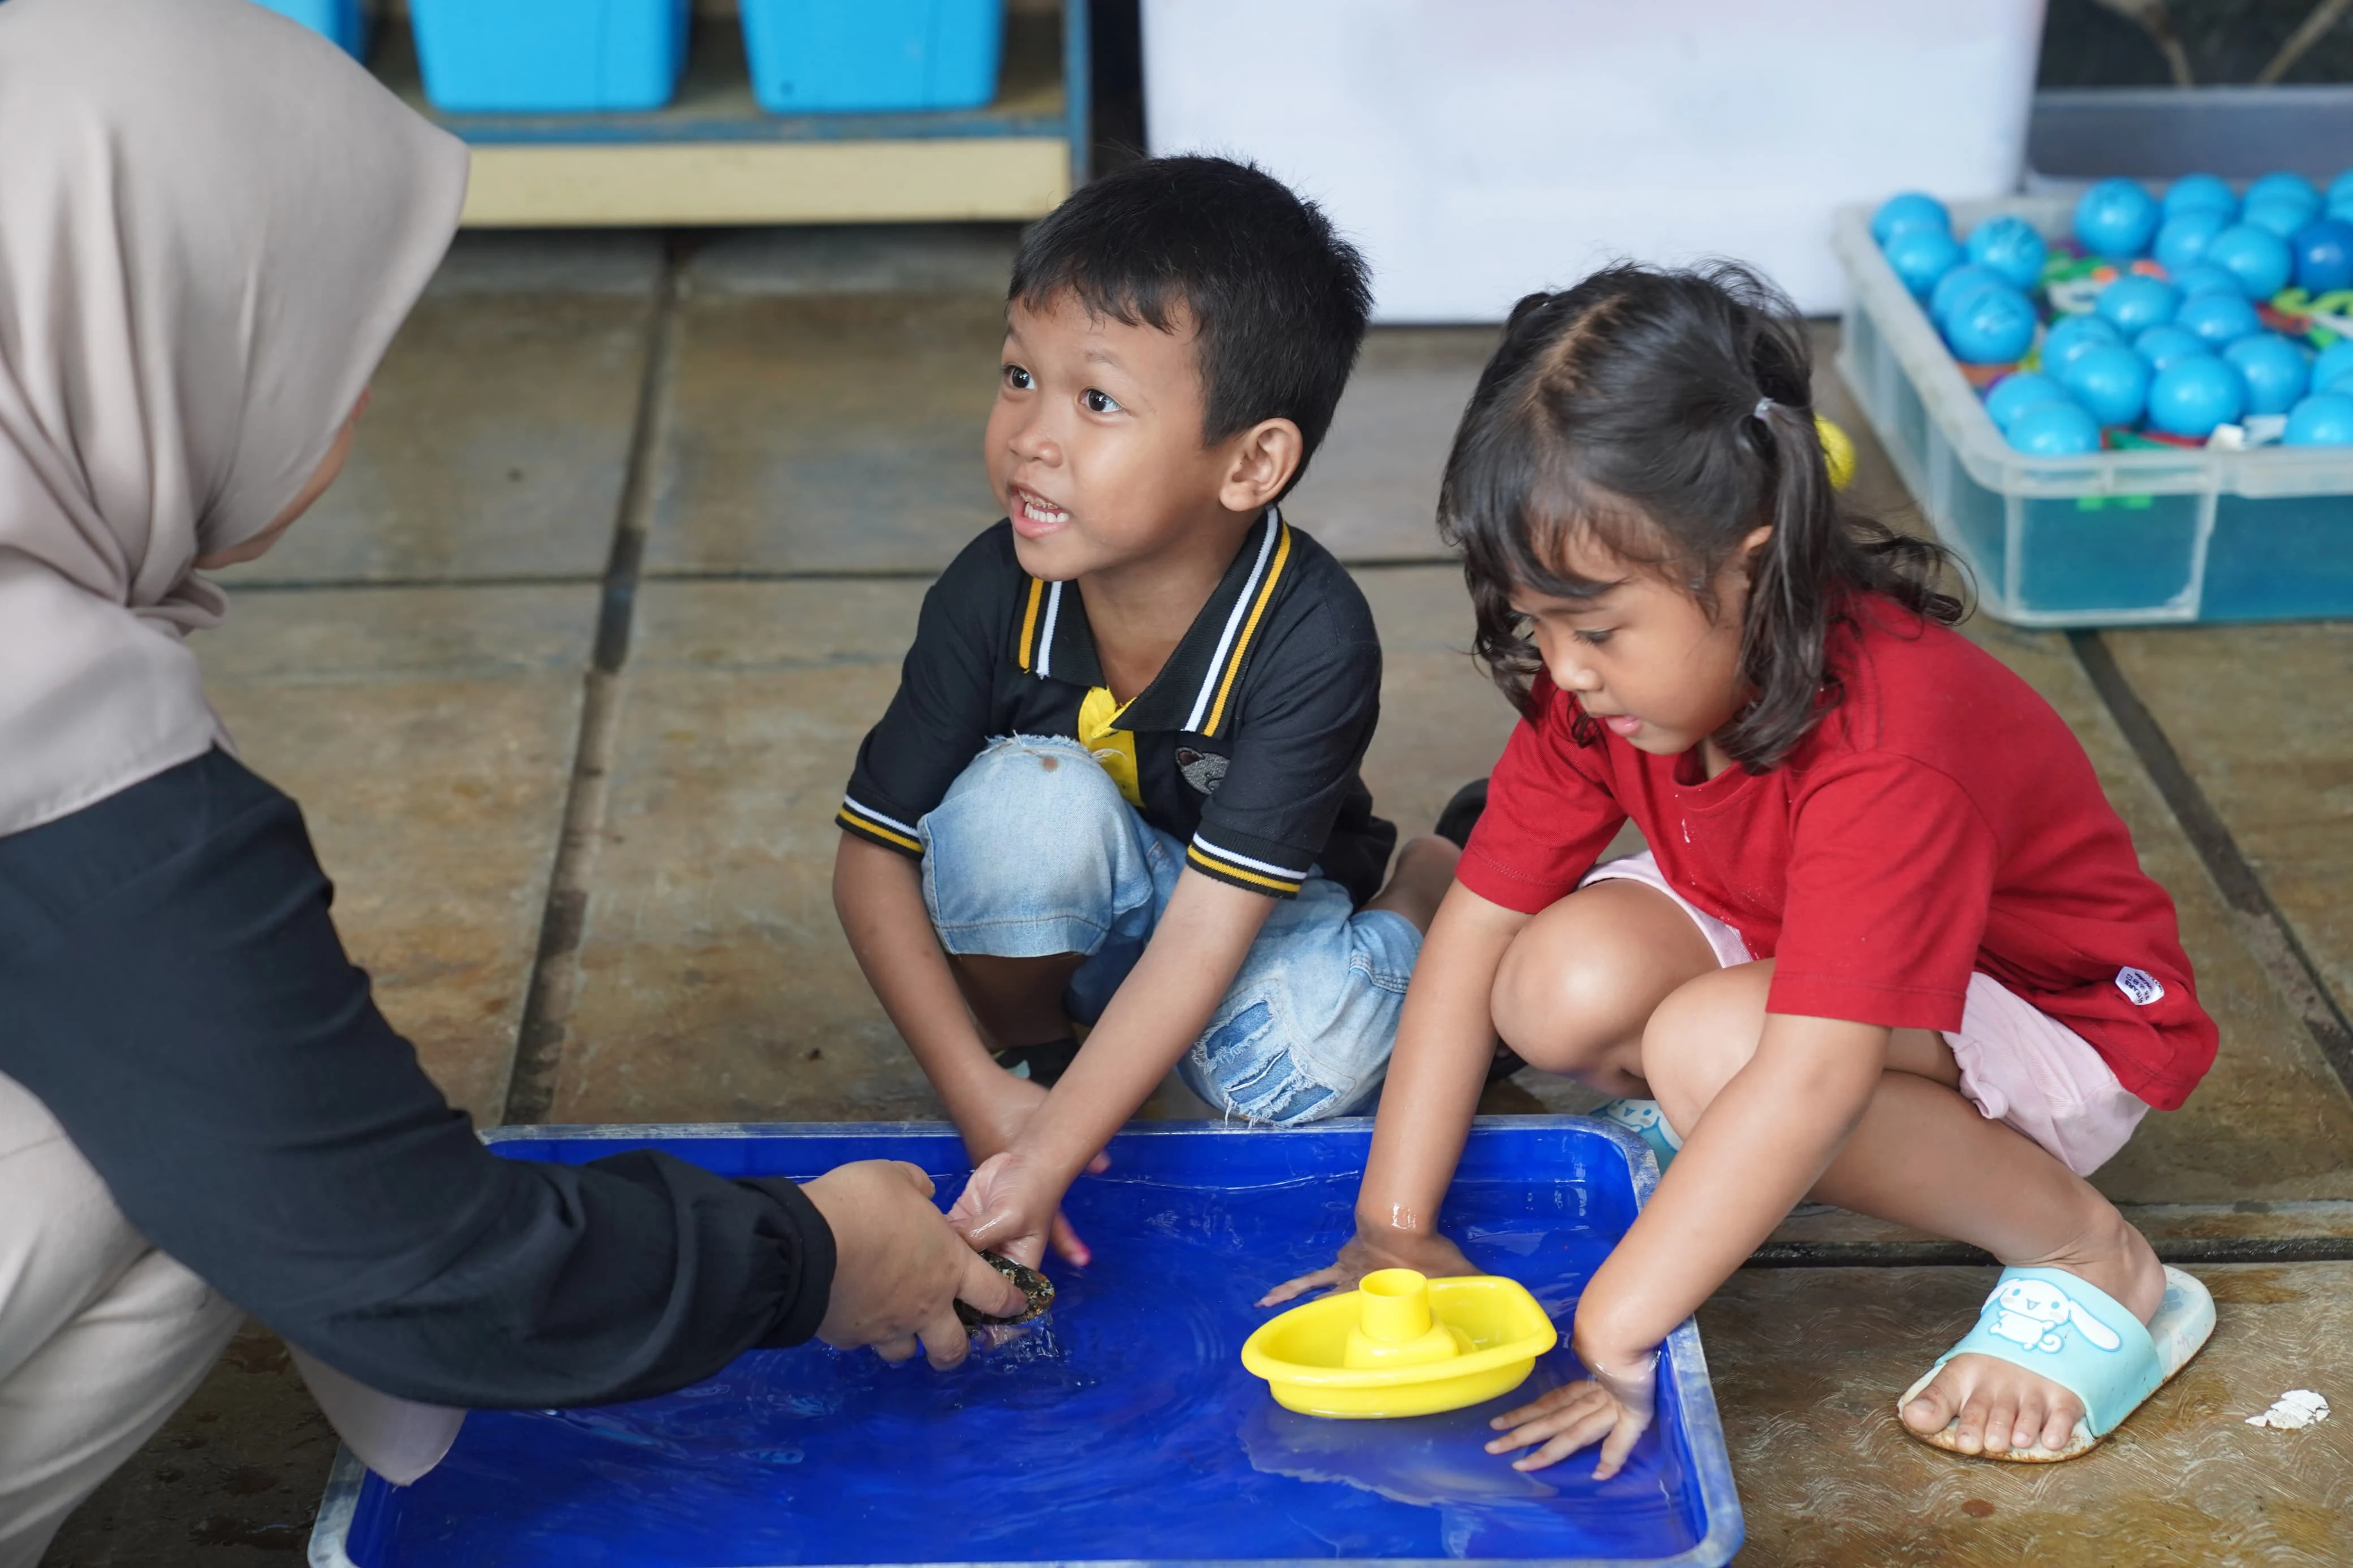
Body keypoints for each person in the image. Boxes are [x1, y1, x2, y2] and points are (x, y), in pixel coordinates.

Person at [0, 3, 1019, 1560]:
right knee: (171, 1150)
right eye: (324, 340)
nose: (346, 410)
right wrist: (814, 1257)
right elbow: (415, 1263)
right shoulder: (57, 734)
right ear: (158, 324)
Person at [1266, 263, 2220, 1475]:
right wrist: (1390, 1226)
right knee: (1552, 984)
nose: (1563, 672)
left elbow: (1810, 1070)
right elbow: (1474, 931)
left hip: (2048, 1011)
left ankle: (2093, 1258)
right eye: (1536, 625)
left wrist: (1615, 1329)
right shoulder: (1603, 688)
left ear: (1750, 564)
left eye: (1598, 629)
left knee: (1722, 1055)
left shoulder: (1894, 747)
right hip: (1798, 950)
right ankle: (1732, 1129)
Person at [831, 157, 1462, 1272]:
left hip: (1250, 912)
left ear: (1252, 462)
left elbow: (1209, 930)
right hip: (1088, 905)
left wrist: (1048, 1161)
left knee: (1297, 1079)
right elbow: (870, 860)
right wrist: (985, 1097)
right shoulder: (991, 592)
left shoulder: (1310, 634)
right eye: (1019, 376)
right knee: (1017, 811)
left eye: (1098, 401)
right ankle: (1039, 1046)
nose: (1032, 434)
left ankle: (1430, 879)